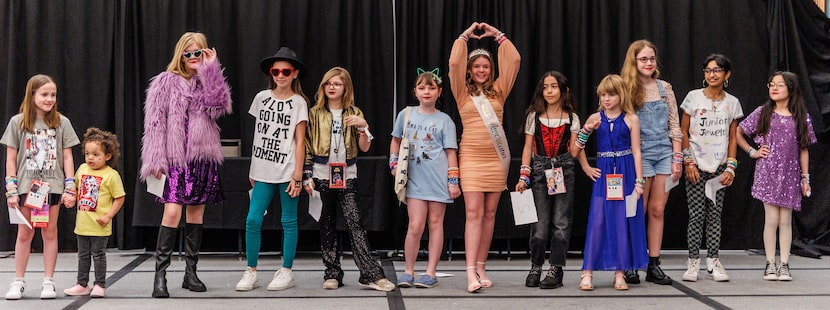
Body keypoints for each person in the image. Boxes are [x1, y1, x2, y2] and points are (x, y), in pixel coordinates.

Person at [140, 32, 232, 298]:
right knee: (171, 212)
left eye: (198, 53)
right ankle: (160, 275)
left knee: (196, 213)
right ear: (180, 55)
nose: (193, 58)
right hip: (174, 159)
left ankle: (190, 273)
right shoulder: (165, 82)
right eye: (188, 53)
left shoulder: (206, 81)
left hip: (202, 157)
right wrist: (155, 159)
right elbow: (154, 123)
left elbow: (220, 106)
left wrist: (212, 70)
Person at [303, 67, 395, 292]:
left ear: (346, 88)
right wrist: (306, 175)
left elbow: (364, 147)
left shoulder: (355, 112)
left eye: (337, 84)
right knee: (327, 226)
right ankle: (332, 272)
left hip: (347, 176)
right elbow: (305, 145)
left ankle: (371, 274)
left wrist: (364, 128)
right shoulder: (314, 113)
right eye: (328, 83)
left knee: (356, 225)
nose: (331, 87)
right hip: (320, 175)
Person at [449, 21, 520, 293]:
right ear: (470, 70)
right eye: (476, 67)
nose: (481, 70)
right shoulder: (461, 91)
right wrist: (465, 36)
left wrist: (497, 35)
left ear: (491, 71)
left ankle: (481, 265)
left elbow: (514, 60)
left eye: (486, 67)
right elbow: (454, 64)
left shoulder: (499, 90)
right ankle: (469, 272)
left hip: (496, 160)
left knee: (490, 214)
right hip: (471, 159)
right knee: (473, 213)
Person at [235, 47, 308, 292]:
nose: (280, 75)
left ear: (295, 74)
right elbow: (258, 135)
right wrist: (252, 169)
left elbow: (300, 141)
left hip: (287, 171)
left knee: (289, 221)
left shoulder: (299, 102)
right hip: (262, 169)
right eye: (275, 71)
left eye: (285, 71)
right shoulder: (261, 98)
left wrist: (298, 175)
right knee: (253, 220)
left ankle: (286, 271)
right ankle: (251, 271)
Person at [3, 74, 80, 300]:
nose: (49, 99)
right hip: (27, 186)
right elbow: (10, 158)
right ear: (32, 95)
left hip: (52, 187)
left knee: (49, 232)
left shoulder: (61, 122)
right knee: (24, 233)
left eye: (53, 95)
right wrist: (11, 188)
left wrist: (69, 185)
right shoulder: (17, 122)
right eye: (44, 94)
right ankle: (18, 281)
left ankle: (49, 281)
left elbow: (67, 156)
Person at [515, 71, 592, 289]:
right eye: (546, 86)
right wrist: (524, 174)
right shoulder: (534, 116)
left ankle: (556, 268)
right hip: (540, 169)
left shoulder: (572, 118)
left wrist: (586, 133)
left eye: (554, 86)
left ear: (563, 90)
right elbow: (528, 147)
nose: (549, 91)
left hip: (564, 169)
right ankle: (536, 265)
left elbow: (576, 150)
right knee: (539, 224)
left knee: (561, 222)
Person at [737, 71, 816, 281]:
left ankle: (785, 264)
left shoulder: (800, 117)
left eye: (779, 85)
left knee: (786, 220)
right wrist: (752, 151)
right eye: (771, 84)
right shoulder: (763, 112)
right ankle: (770, 263)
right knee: (771, 219)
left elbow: (804, 149)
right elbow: (739, 131)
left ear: (790, 88)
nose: (774, 88)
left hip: (790, 174)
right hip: (768, 172)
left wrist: (805, 178)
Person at [572, 74, 647, 291]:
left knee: (621, 222)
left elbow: (636, 151)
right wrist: (587, 164)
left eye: (611, 94)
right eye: (603, 94)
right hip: (604, 172)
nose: (606, 99)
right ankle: (587, 272)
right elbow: (576, 150)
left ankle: (619, 272)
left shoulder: (631, 119)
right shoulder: (595, 118)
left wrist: (639, 181)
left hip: (626, 172)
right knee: (597, 221)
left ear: (621, 95)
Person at [390, 69, 460, 289]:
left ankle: (430, 272)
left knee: (435, 223)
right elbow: (395, 140)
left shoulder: (445, 120)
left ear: (439, 92)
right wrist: (393, 163)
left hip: (437, 180)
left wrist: (453, 180)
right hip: (415, 180)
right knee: (415, 225)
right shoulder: (406, 114)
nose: (426, 91)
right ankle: (408, 270)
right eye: (422, 87)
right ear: (415, 91)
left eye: (431, 87)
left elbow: (450, 152)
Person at [619, 40, 681, 285]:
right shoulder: (625, 87)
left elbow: (675, 125)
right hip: (639, 153)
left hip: (664, 152)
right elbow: (610, 116)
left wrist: (678, 158)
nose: (648, 63)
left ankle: (653, 264)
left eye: (651, 58)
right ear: (633, 62)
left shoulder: (665, 88)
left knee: (657, 210)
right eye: (643, 59)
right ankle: (632, 262)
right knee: (637, 211)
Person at [679, 54, 743, 283]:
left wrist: (731, 167)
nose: (711, 74)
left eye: (717, 70)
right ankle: (693, 261)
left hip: (719, 167)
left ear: (727, 74)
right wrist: (688, 161)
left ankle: (713, 260)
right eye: (707, 70)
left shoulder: (732, 102)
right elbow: (682, 131)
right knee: (696, 215)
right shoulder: (693, 98)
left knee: (715, 215)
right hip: (696, 164)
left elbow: (733, 137)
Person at [63, 128, 125, 298]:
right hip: (82, 224)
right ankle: (82, 284)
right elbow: (75, 189)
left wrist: (108, 216)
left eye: (96, 154)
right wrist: (70, 198)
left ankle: (100, 284)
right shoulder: (82, 169)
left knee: (98, 255)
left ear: (108, 156)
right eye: (88, 154)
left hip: (99, 225)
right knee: (82, 255)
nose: (90, 158)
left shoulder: (111, 175)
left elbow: (120, 198)